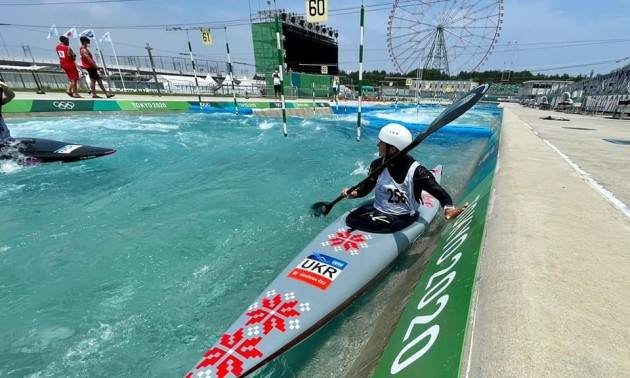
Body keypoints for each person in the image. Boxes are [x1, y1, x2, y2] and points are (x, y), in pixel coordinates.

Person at [341, 123, 468, 232]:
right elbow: (367, 187)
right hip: (377, 210)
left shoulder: (417, 172)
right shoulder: (377, 165)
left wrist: (449, 209)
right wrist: (354, 193)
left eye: (382, 142)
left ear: (392, 150)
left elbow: (439, 192)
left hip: (402, 217)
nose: (378, 144)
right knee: (350, 219)